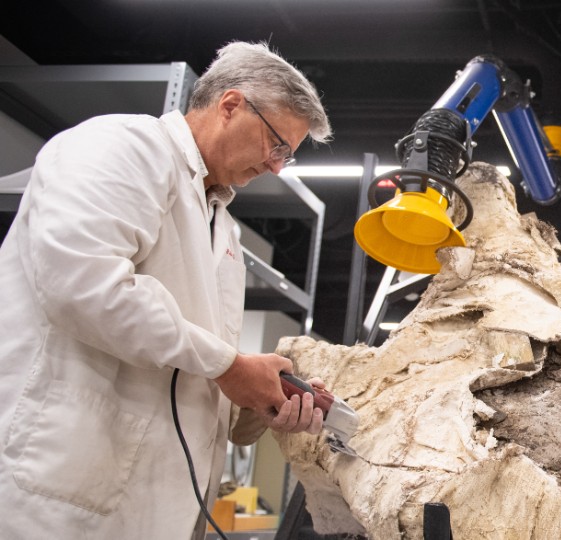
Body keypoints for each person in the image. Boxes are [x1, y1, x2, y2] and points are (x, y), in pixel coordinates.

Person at [0, 41, 334, 539]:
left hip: (158, 510)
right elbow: (85, 285)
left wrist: (260, 403)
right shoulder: (119, 148)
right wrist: (230, 365)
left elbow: (196, 371)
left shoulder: (226, 232)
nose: (277, 167)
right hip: (57, 490)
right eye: (278, 145)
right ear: (231, 105)